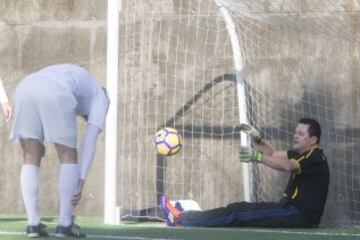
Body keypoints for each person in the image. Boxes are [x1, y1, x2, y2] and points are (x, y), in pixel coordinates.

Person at [161, 118, 329, 228]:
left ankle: (180, 219)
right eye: (295, 132)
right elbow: (272, 154)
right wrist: (258, 140)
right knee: (238, 210)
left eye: (300, 134)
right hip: (290, 210)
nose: (295, 136)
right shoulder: (301, 154)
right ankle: (185, 216)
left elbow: (288, 166)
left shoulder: (315, 157)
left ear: (313, 140)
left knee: (238, 212)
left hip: (298, 215)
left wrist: (257, 156)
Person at [10, 64, 110, 238]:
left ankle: (33, 225)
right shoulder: (102, 98)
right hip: (55, 90)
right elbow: (90, 140)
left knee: (30, 157)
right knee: (68, 155)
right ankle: (65, 224)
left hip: (25, 86)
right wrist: (82, 179)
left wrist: (31, 146)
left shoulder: (79, 79)